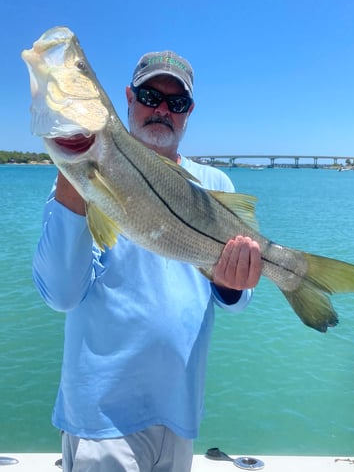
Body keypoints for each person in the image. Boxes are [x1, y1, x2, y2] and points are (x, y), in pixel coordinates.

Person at [32, 50, 262, 472]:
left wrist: (234, 283)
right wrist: (79, 174)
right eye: (150, 94)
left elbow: (237, 299)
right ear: (128, 98)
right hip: (102, 422)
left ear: (188, 111)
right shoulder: (82, 179)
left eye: (175, 102)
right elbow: (61, 294)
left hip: (181, 416)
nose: (161, 109)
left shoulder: (215, 185)